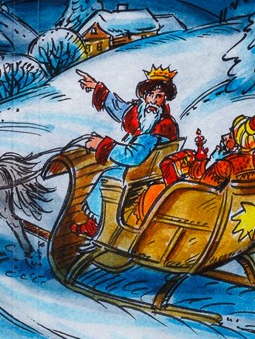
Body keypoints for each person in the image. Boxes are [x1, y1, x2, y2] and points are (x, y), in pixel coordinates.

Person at [73, 65, 180, 236]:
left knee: (106, 176)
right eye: (150, 95)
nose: (153, 101)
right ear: (144, 96)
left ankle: (96, 225)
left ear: (165, 99)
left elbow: (133, 156)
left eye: (158, 96)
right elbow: (120, 108)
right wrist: (97, 87)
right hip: (144, 170)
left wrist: (102, 145)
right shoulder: (146, 114)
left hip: (138, 172)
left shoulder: (159, 126)